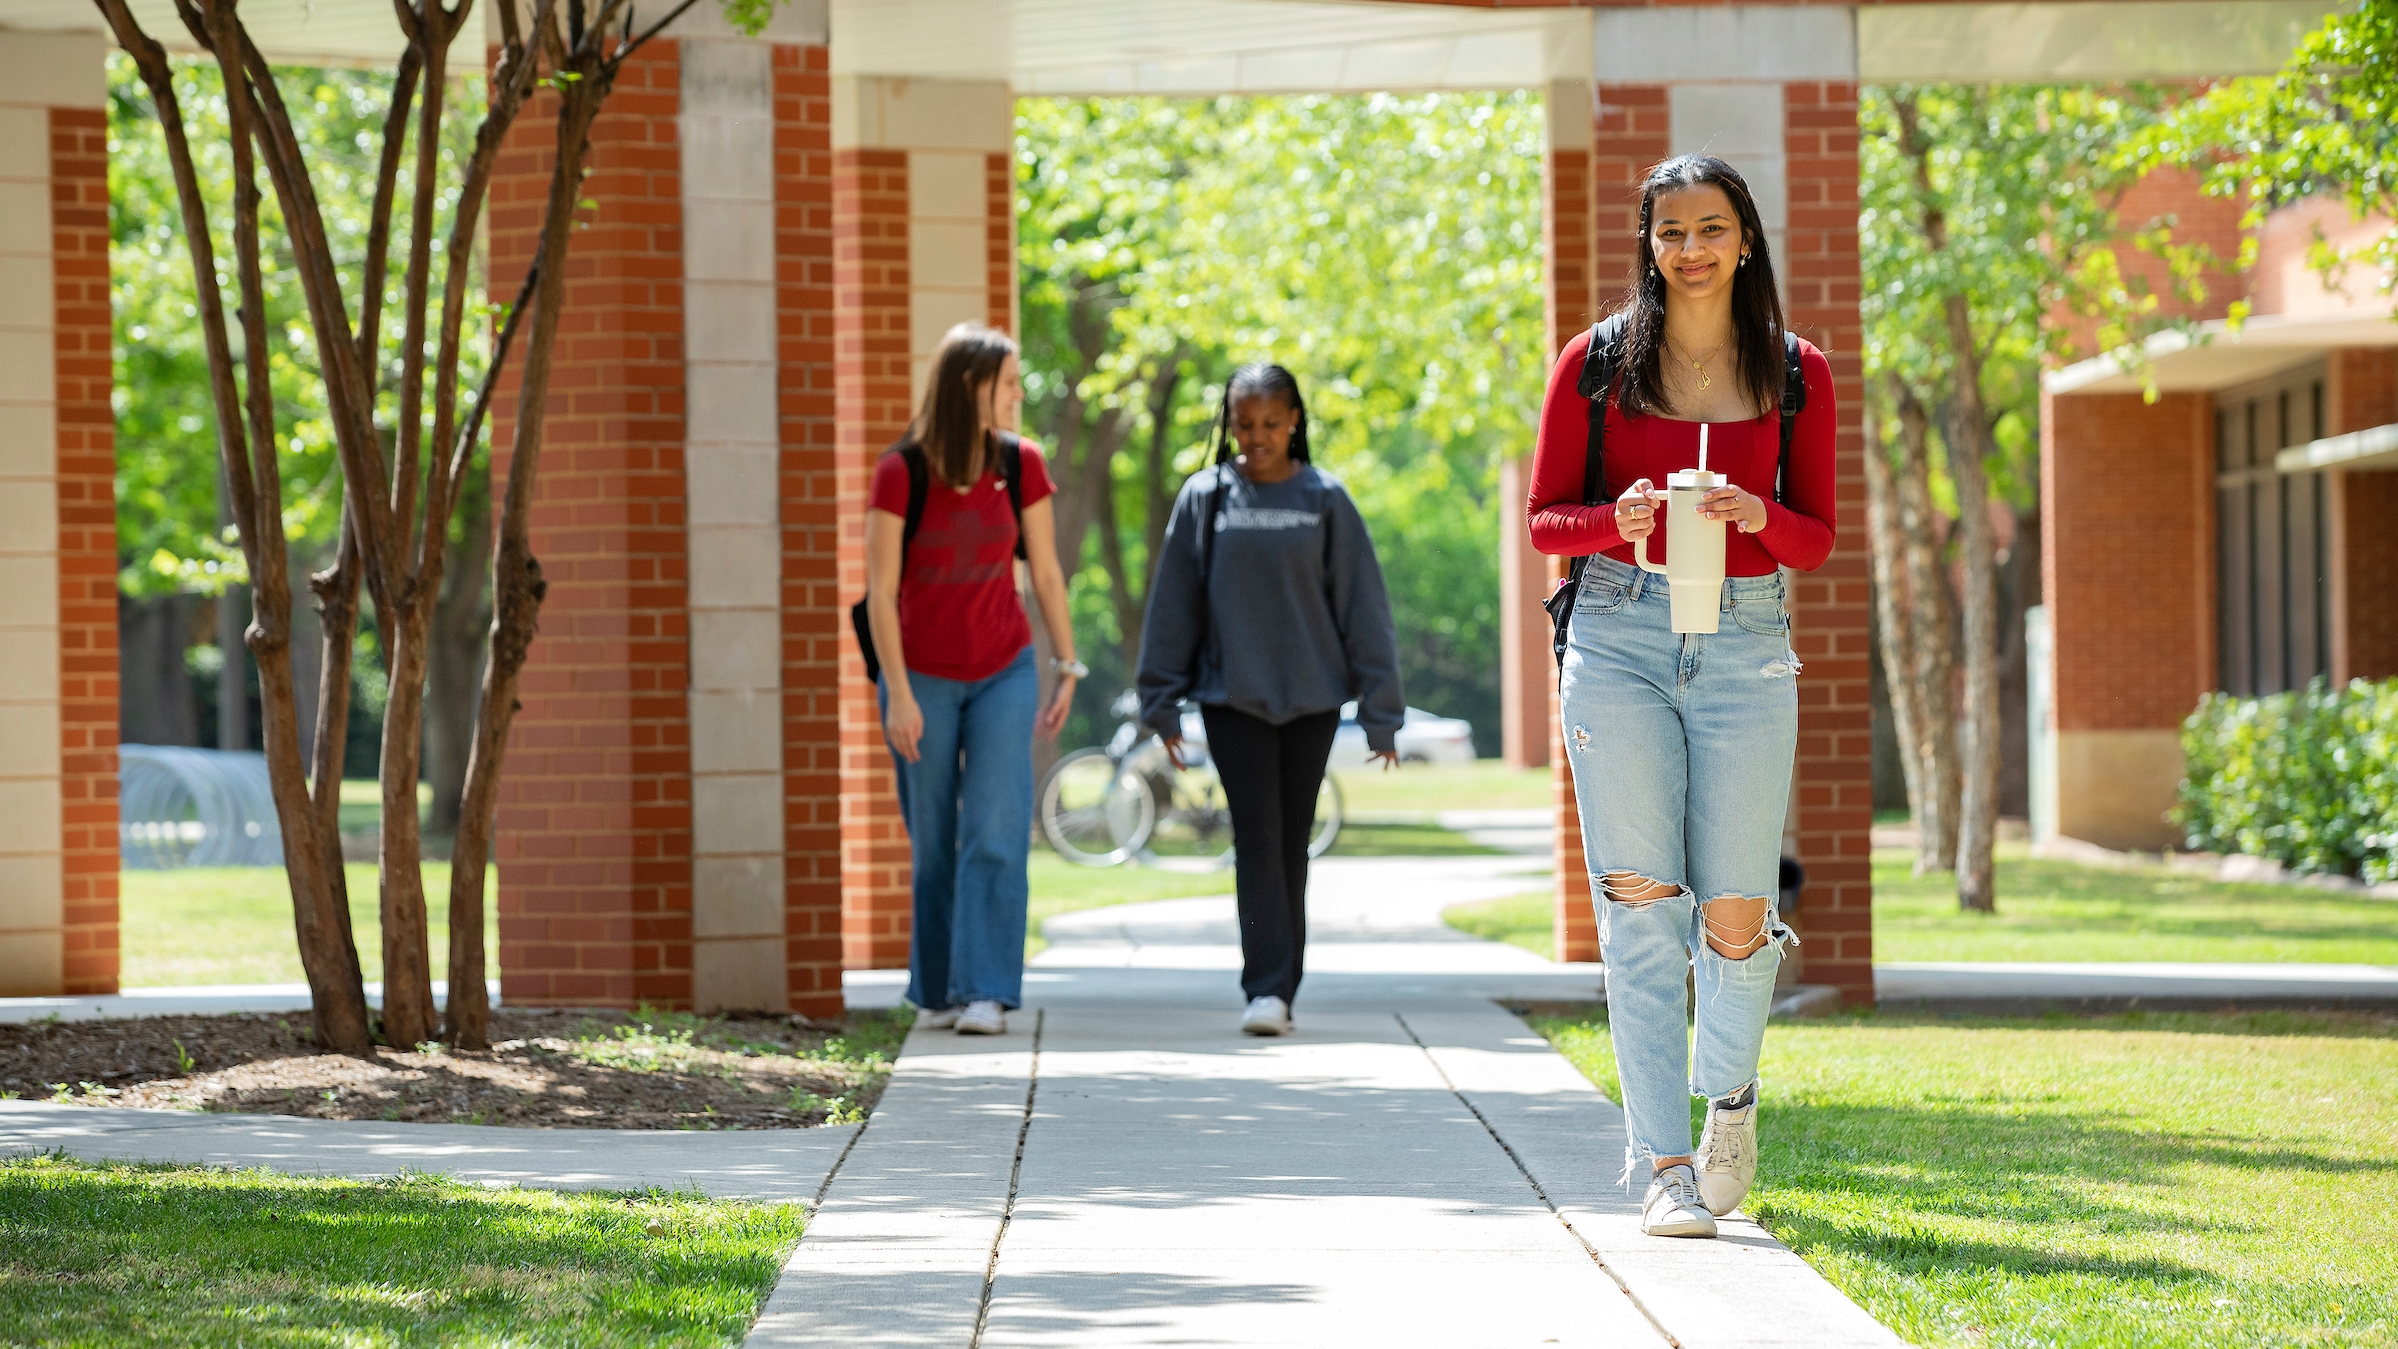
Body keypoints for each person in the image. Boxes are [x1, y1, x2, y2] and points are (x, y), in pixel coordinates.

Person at [1526, 156, 1837, 1239]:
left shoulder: (1796, 371)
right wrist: (1619, 518)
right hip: (1616, 634)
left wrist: (1753, 511)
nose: (1690, 250)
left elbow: (1815, 532)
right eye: (1670, 232)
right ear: (1647, 243)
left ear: (1744, 240)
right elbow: (1543, 522)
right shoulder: (1595, 365)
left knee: (1735, 912)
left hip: (1746, 643)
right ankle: (1662, 1162)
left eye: (1711, 229)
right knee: (1640, 906)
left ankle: (1730, 1099)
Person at [1136, 363, 1404, 1038]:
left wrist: (1382, 712)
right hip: (1233, 699)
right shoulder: (1207, 498)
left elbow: (1363, 608)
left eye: (1270, 424)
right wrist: (1160, 701)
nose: (1256, 437)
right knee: (1256, 835)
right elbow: (1173, 605)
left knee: (1292, 840)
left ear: (1295, 423)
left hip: (1312, 700)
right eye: (1243, 424)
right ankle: (1267, 988)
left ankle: (1283, 980)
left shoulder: (1325, 498)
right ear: (1229, 423)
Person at [864, 323, 1083, 1037]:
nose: (1020, 395)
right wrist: (896, 690)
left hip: (1003, 669)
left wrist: (1067, 664)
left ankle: (987, 987)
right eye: (1010, 382)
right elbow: (881, 591)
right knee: (934, 838)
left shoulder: (1021, 464)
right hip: (920, 673)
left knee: (994, 826)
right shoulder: (902, 472)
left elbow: (1045, 572)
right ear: (970, 385)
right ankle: (938, 986)